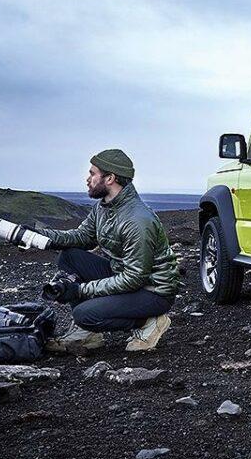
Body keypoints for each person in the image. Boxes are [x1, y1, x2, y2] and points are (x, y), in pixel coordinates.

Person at [33, 149, 180, 352]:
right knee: (70, 256)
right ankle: (87, 334)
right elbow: (82, 237)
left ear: (110, 178)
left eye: (92, 174)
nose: (87, 179)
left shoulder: (137, 220)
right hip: (126, 276)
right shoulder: (103, 207)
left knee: (84, 314)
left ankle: (149, 322)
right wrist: (38, 236)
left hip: (153, 291)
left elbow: (134, 278)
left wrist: (80, 290)